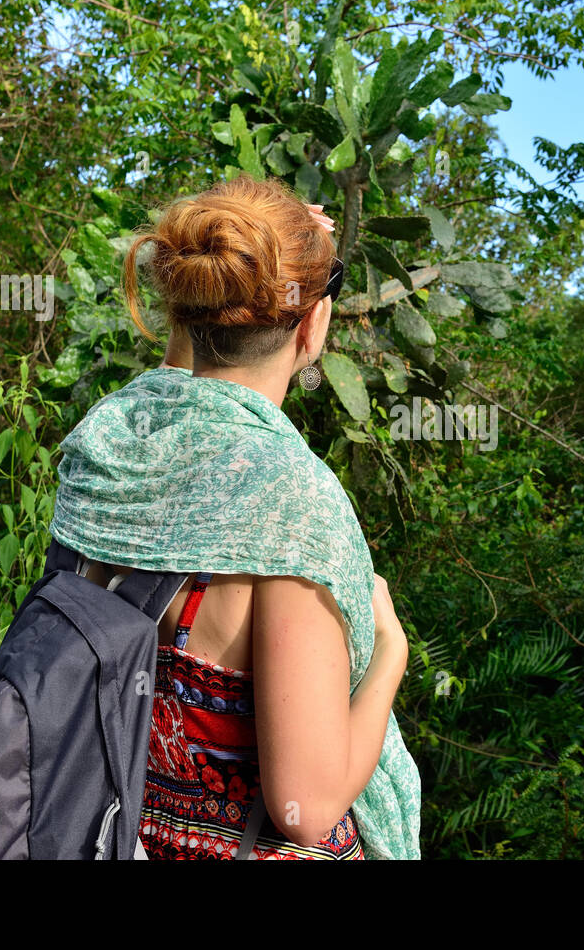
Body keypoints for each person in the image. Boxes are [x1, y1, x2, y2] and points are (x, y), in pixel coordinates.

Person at [46, 175, 422, 859]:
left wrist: (258, 257)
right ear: (311, 326)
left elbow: (176, 374)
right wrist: (393, 651)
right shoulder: (289, 512)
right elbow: (304, 805)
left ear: (185, 316)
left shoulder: (112, 446)